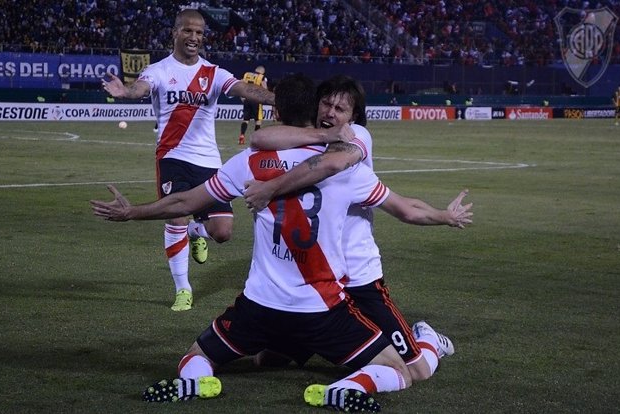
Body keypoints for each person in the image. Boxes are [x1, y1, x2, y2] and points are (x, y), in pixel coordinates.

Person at [93, 74, 426, 411]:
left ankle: (195, 382)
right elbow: (403, 208)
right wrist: (443, 217)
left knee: (197, 356)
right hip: (322, 309)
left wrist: (133, 212)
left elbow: (185, 203)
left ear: (276, 110)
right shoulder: (343, 165)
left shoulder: (250, 161)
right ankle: (345, 388)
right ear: (315, 108)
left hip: (260, 308)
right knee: (398, 370)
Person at [246, 75, 472, 382]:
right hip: (318, 283)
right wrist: (313, 135)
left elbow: (344, 170)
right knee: (267, 361)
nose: (330, 113)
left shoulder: (358, 137)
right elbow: (258, 140)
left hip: (358, 277)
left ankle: (427, 337)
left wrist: (444, 216)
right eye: (326, 103)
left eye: (341, 109)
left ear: (354, 117)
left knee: (415, 372)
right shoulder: (312, 136)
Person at [101, 9, 274, 312]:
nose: (194, 38)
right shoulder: (158, 70)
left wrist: (278, 98)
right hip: (172, 157)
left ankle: (198, 232)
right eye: (188, 31)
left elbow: (244, 89)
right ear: (175, 33)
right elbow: (140, 87)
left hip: (208, 161)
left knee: (222, 233)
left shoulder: (214, 73)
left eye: (199, 33)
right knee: (175, 217)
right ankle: (183, 289)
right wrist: (126, 92)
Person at [238, 65, 268, 145]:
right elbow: (265, 89)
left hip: (247, 99)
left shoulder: (246, 75)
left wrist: (242, 96)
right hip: (256, 100)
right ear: (262, 72)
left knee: (246, 119)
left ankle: (242, 135)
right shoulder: (261, 77)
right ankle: (256, 139)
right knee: (258, 120)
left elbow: (240, 85)